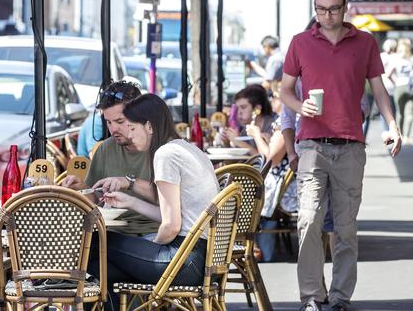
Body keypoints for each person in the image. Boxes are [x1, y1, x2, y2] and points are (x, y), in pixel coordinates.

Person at [279, 0, 401, 311]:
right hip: (312, 146)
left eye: (333, 8)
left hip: (350, 146)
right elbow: (285, 90)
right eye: (320, 9)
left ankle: (340, 297)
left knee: (345, 228)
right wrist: (298, 106)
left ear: (346, 7)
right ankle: (311, 296)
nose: (327, 16)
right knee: (307, 219)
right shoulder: (300, 42)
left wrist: (393, 126)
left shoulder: (365, 43)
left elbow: (378, 89)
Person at [87, 94, 219, 307]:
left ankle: (46, 280)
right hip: (203, 261)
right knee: (100, 269)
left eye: (132, 127)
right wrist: (130, 202)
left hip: (183, 260)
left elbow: (171, 225)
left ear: (149, 126)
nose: (129, 134)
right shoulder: (186, 148)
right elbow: (174, 216)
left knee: (98, 242)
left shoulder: (165, 155)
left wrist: (149, 246)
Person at [62, 81, 157, 234]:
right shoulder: (105, 148)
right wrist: (82, 189)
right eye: (108, 122)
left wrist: (129, 182)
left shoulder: (162, 149)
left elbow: (175, 203)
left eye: (120, 121)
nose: (113, 129)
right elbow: (97, 200)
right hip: (112, 234)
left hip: (154, 233)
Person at [221, 84, 277, 156]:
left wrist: (239, 142)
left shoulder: (273, 126)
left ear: (257, 109)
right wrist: (227, 143)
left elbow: (267, 161)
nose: (239, 112)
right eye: (238, 108)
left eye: (243, 107)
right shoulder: (246, 130)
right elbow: (238, 162)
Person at [392, 38, 413, 140]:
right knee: (409, 113)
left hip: (399, 87)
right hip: (412, 88)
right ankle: (406, 136)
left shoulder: (395, 59)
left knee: (399, 113)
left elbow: (388, 74)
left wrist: (395, 82)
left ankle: (399, 134)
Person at [380, 39, 398, 131]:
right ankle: (392, 130)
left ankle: (385, 131)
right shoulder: (396, 57)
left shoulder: (382, 56)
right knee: (393, 112)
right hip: (393, 87)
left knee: (383, 110)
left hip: (381, 86)